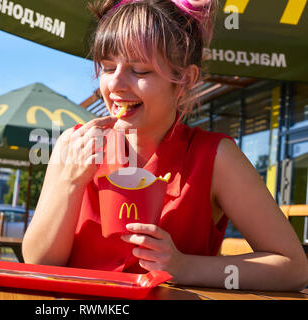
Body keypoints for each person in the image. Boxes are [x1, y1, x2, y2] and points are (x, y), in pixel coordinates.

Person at [22, 0, 308, 291]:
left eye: (140, 71)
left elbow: (294, 267)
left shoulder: (216, 157)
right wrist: (70, 183)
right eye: (108, 67)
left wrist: (184, 266)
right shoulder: (74, 144)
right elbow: (38, 262)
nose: (115, 84)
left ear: (185, 79)